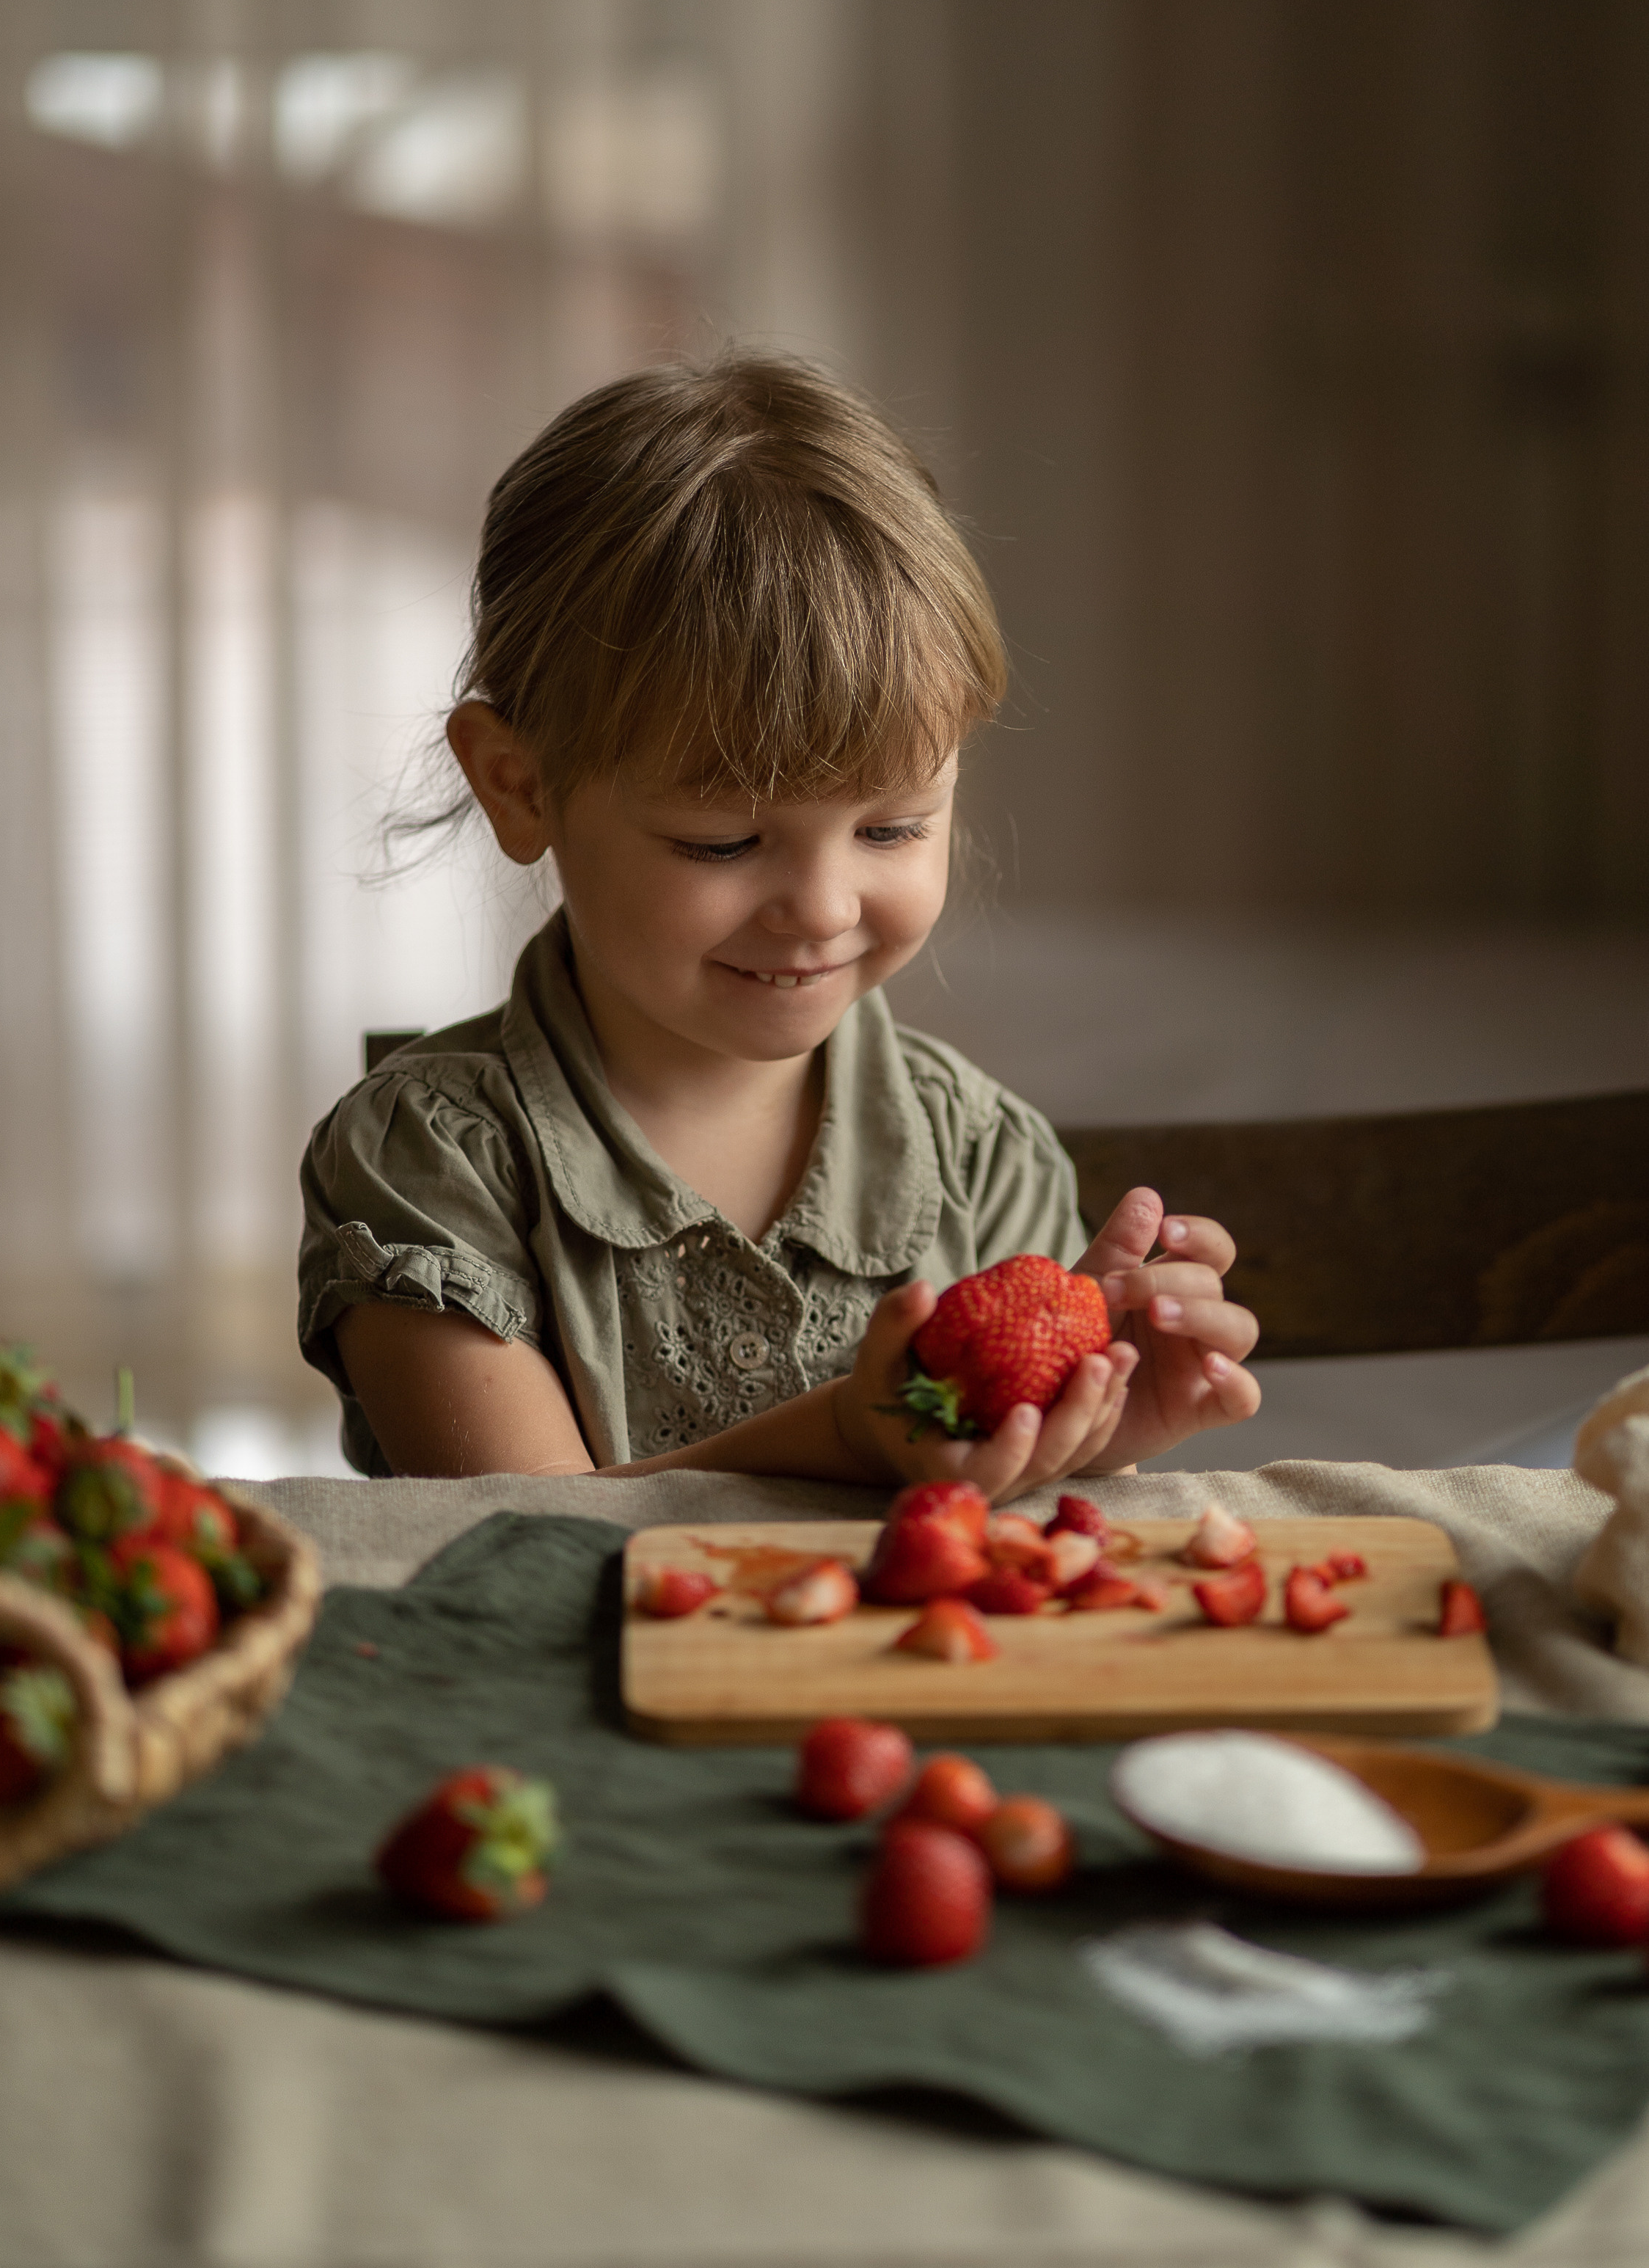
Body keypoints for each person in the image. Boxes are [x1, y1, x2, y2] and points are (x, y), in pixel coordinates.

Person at [299, 354, 1260, 1494]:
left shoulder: (984, 1160)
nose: (823, 907)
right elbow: (519, 1535)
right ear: (519, 787)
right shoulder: (430, 1157)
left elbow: (1007, 1547)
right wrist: (850, 1438)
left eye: (892, 828)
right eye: (722, 842)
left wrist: (1089, 1438)